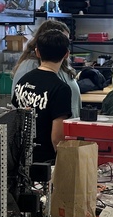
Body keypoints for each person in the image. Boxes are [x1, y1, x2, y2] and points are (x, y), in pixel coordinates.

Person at [12, 30, 72, 182]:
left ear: (37, 52)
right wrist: (65, 166)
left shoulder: (23, 80)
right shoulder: (61, 88)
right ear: (66, 54)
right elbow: (57, 137)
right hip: (45, 161)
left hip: (19, 157)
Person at [13, 19, 81, 119]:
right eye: (62, 40)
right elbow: (23, 104)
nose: (65, 45)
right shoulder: (30, 67)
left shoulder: (61, 65)